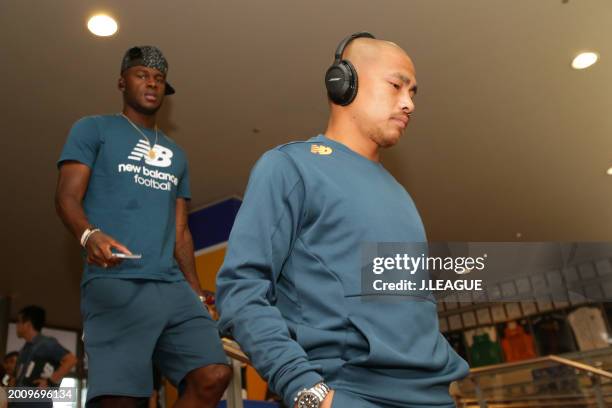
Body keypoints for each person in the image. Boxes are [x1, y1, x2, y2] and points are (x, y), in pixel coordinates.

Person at [216, 33, 469, 408]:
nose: (408, 103)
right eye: (397, 85)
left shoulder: (401, 195)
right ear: (343, 83)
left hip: (434, 397)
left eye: (413, 92)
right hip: (348, 393)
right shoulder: (289, 167)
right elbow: (240, 292)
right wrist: (309, 393)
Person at [55, 46, 231, 407]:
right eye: (141, 75)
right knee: (122, 399)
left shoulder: (176, 154)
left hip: (170, 285)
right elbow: (66, 197)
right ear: (122, 82)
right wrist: (89, 234)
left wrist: (196, 293)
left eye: (159, 78)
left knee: (213, 374)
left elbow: (181, 231)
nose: (152, 83)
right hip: (115, 281)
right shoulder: (93, 129)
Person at [13, 306, 78, 407]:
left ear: (28, 324)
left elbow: (71, 360)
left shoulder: (46, 343)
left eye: (19, 322)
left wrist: (50, 382)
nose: (16, 325)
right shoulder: (25, 348)